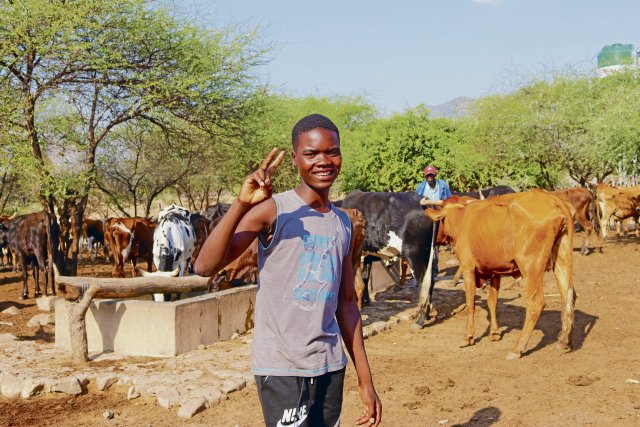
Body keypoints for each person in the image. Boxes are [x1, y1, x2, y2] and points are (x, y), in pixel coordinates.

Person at [194, 114, 382, 427]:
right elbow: (205, 266)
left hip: (330, 366)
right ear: (295, 158)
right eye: (311, 154)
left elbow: (347, 305)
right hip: (281, 369)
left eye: (332, 151)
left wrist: (365, 381)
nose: (323, 161)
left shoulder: (343, 223)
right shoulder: (273, 210)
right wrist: (241, 204)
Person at [415, 165, 451, 283]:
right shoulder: (421, 187)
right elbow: (416, 201)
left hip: (438, 215)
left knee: (435, 244)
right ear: (425, 176)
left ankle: (434, 272)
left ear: (435, 175)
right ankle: (423, 271)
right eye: (428, 175)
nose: (430, 177)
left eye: (431, 175)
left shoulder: (442, 185)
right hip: (425, 216)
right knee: (423, 244)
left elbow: (449, 200)